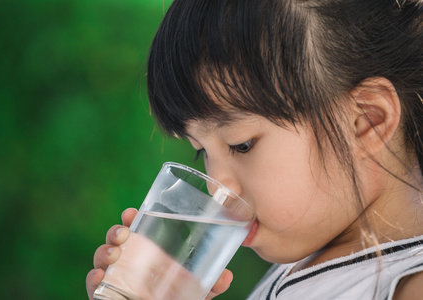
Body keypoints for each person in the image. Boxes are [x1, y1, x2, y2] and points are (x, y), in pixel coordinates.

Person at [86, 0, 423, 299]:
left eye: (241, 145)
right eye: (201, 151)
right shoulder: (307, 259)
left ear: (366, 122)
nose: (217, 184)